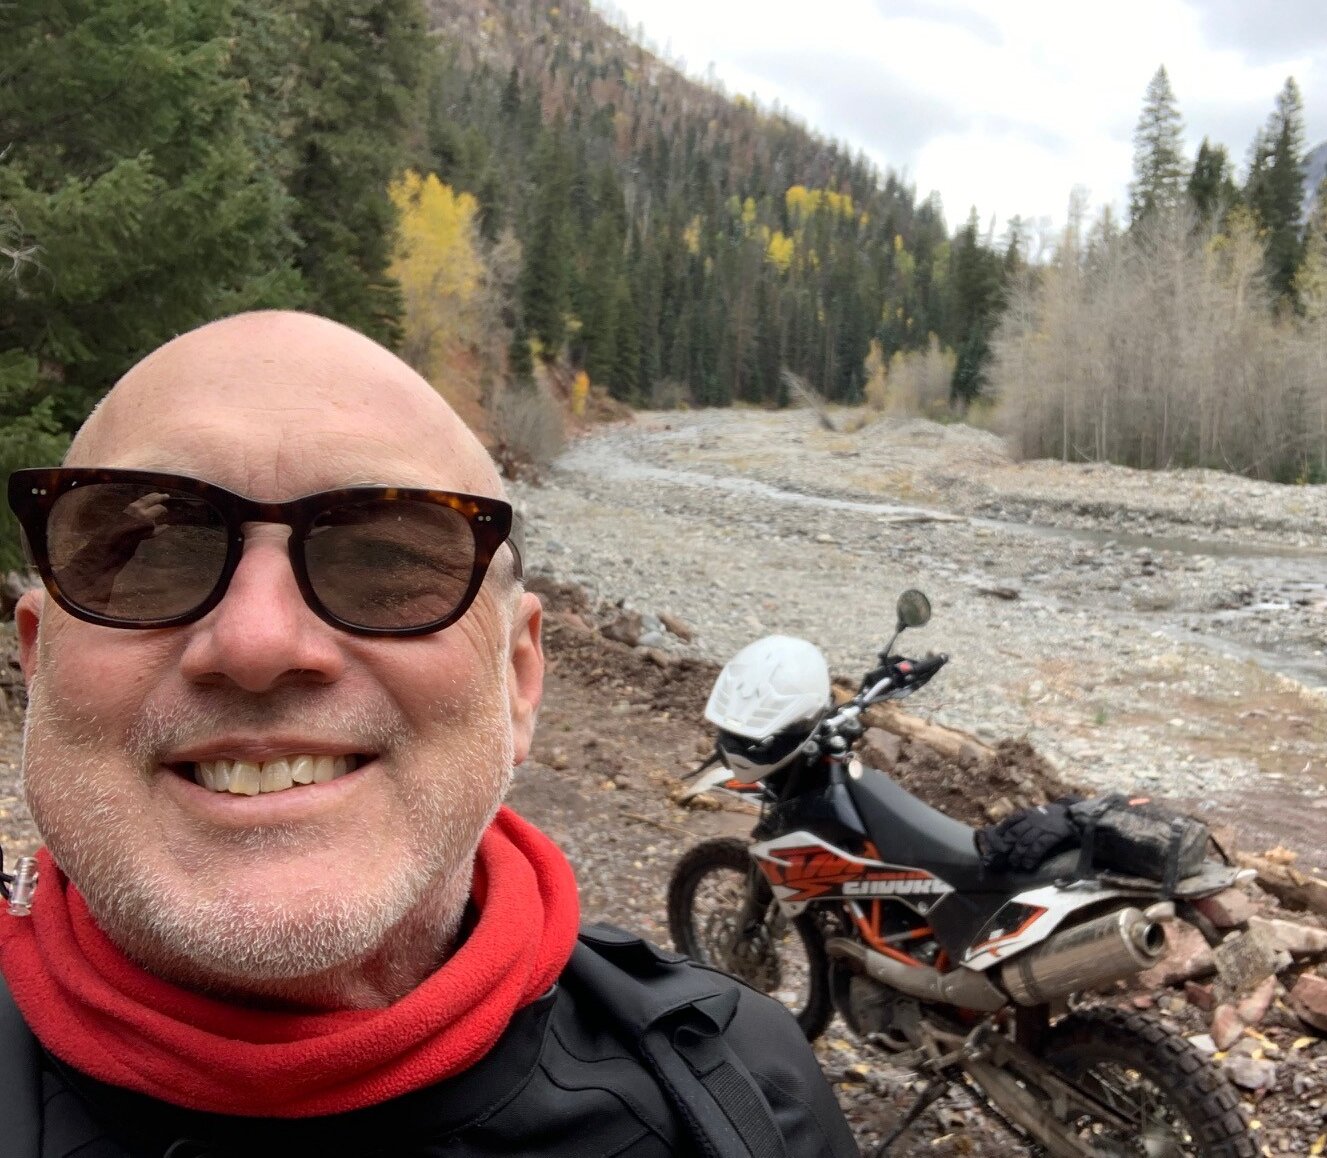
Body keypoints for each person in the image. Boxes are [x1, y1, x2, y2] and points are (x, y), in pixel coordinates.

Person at [0, 312, 859, 1157]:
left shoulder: (746, 1097)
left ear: (519, 680)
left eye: (384, 563)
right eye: (154, 558)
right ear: (38, 662)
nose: (257, 643)